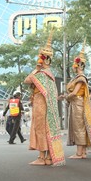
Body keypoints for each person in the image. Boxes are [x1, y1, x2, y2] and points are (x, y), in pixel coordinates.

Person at [24, 28, 65, 166]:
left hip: (40, 103)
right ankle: (48, 157)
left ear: (43, 59)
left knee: (40, 129)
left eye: (40, 57)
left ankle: (42, 157)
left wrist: (36, 68)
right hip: (46, 105)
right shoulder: (50, 75)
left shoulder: (41, 74)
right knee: (46, 129)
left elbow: (27, 80)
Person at [59, 41, 91, 159]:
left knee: (79, 127)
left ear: (79, 66)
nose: (73, 67)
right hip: (76, 104)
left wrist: (66, 97)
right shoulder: (78, 78)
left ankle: (79, 153)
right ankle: (83, 152)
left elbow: (74, 93)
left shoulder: (81, 78)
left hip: (78, 104)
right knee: (80, 127)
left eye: (75, 65)